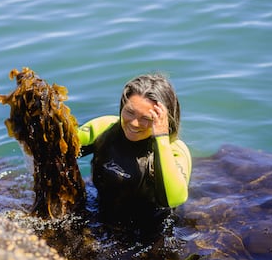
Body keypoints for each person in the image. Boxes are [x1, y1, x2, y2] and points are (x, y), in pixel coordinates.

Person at [77, 73, 192, 233]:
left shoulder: (176, 151)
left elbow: (174, 199)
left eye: (146, 118)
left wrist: (161, 138)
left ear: (165, 120)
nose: (134, 123)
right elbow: (55, 148)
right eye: (130, 112)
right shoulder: (104, 128)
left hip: (150, 231)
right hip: (99, 214)